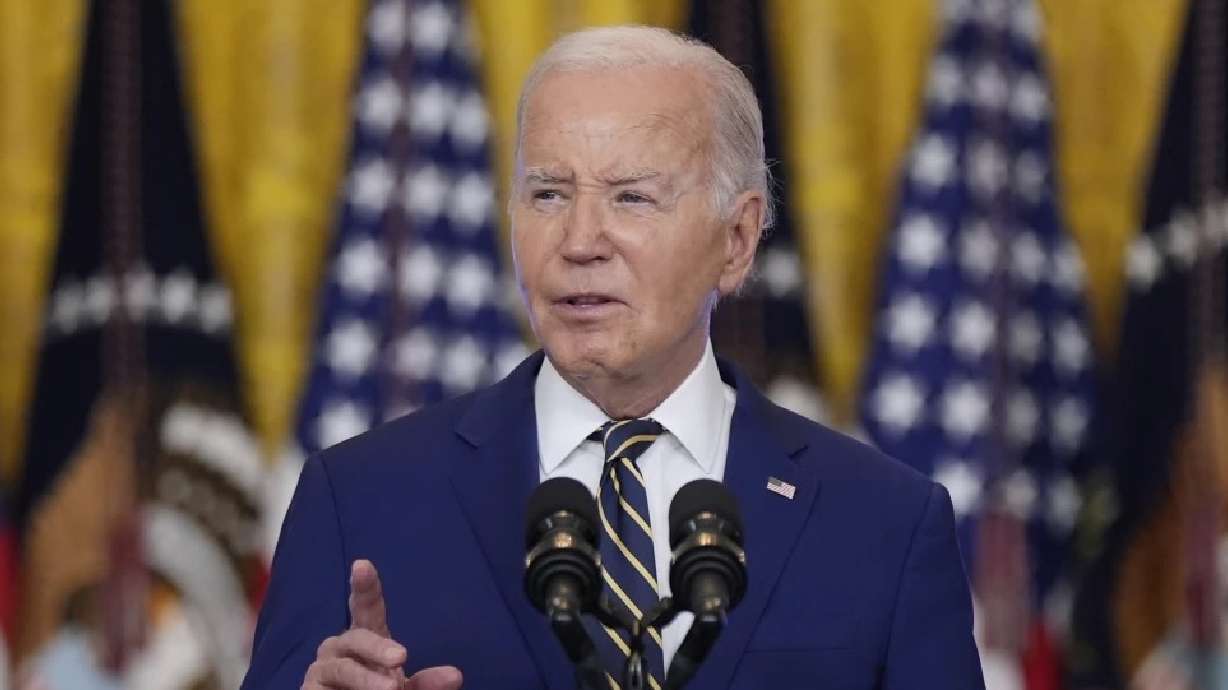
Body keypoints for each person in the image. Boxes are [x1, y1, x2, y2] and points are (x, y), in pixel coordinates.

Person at [241, 25, 985, 690]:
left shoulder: (886, 525)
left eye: (631, 197)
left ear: (737, 239)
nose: (579, 241)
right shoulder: (359, 500)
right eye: (548, 194)